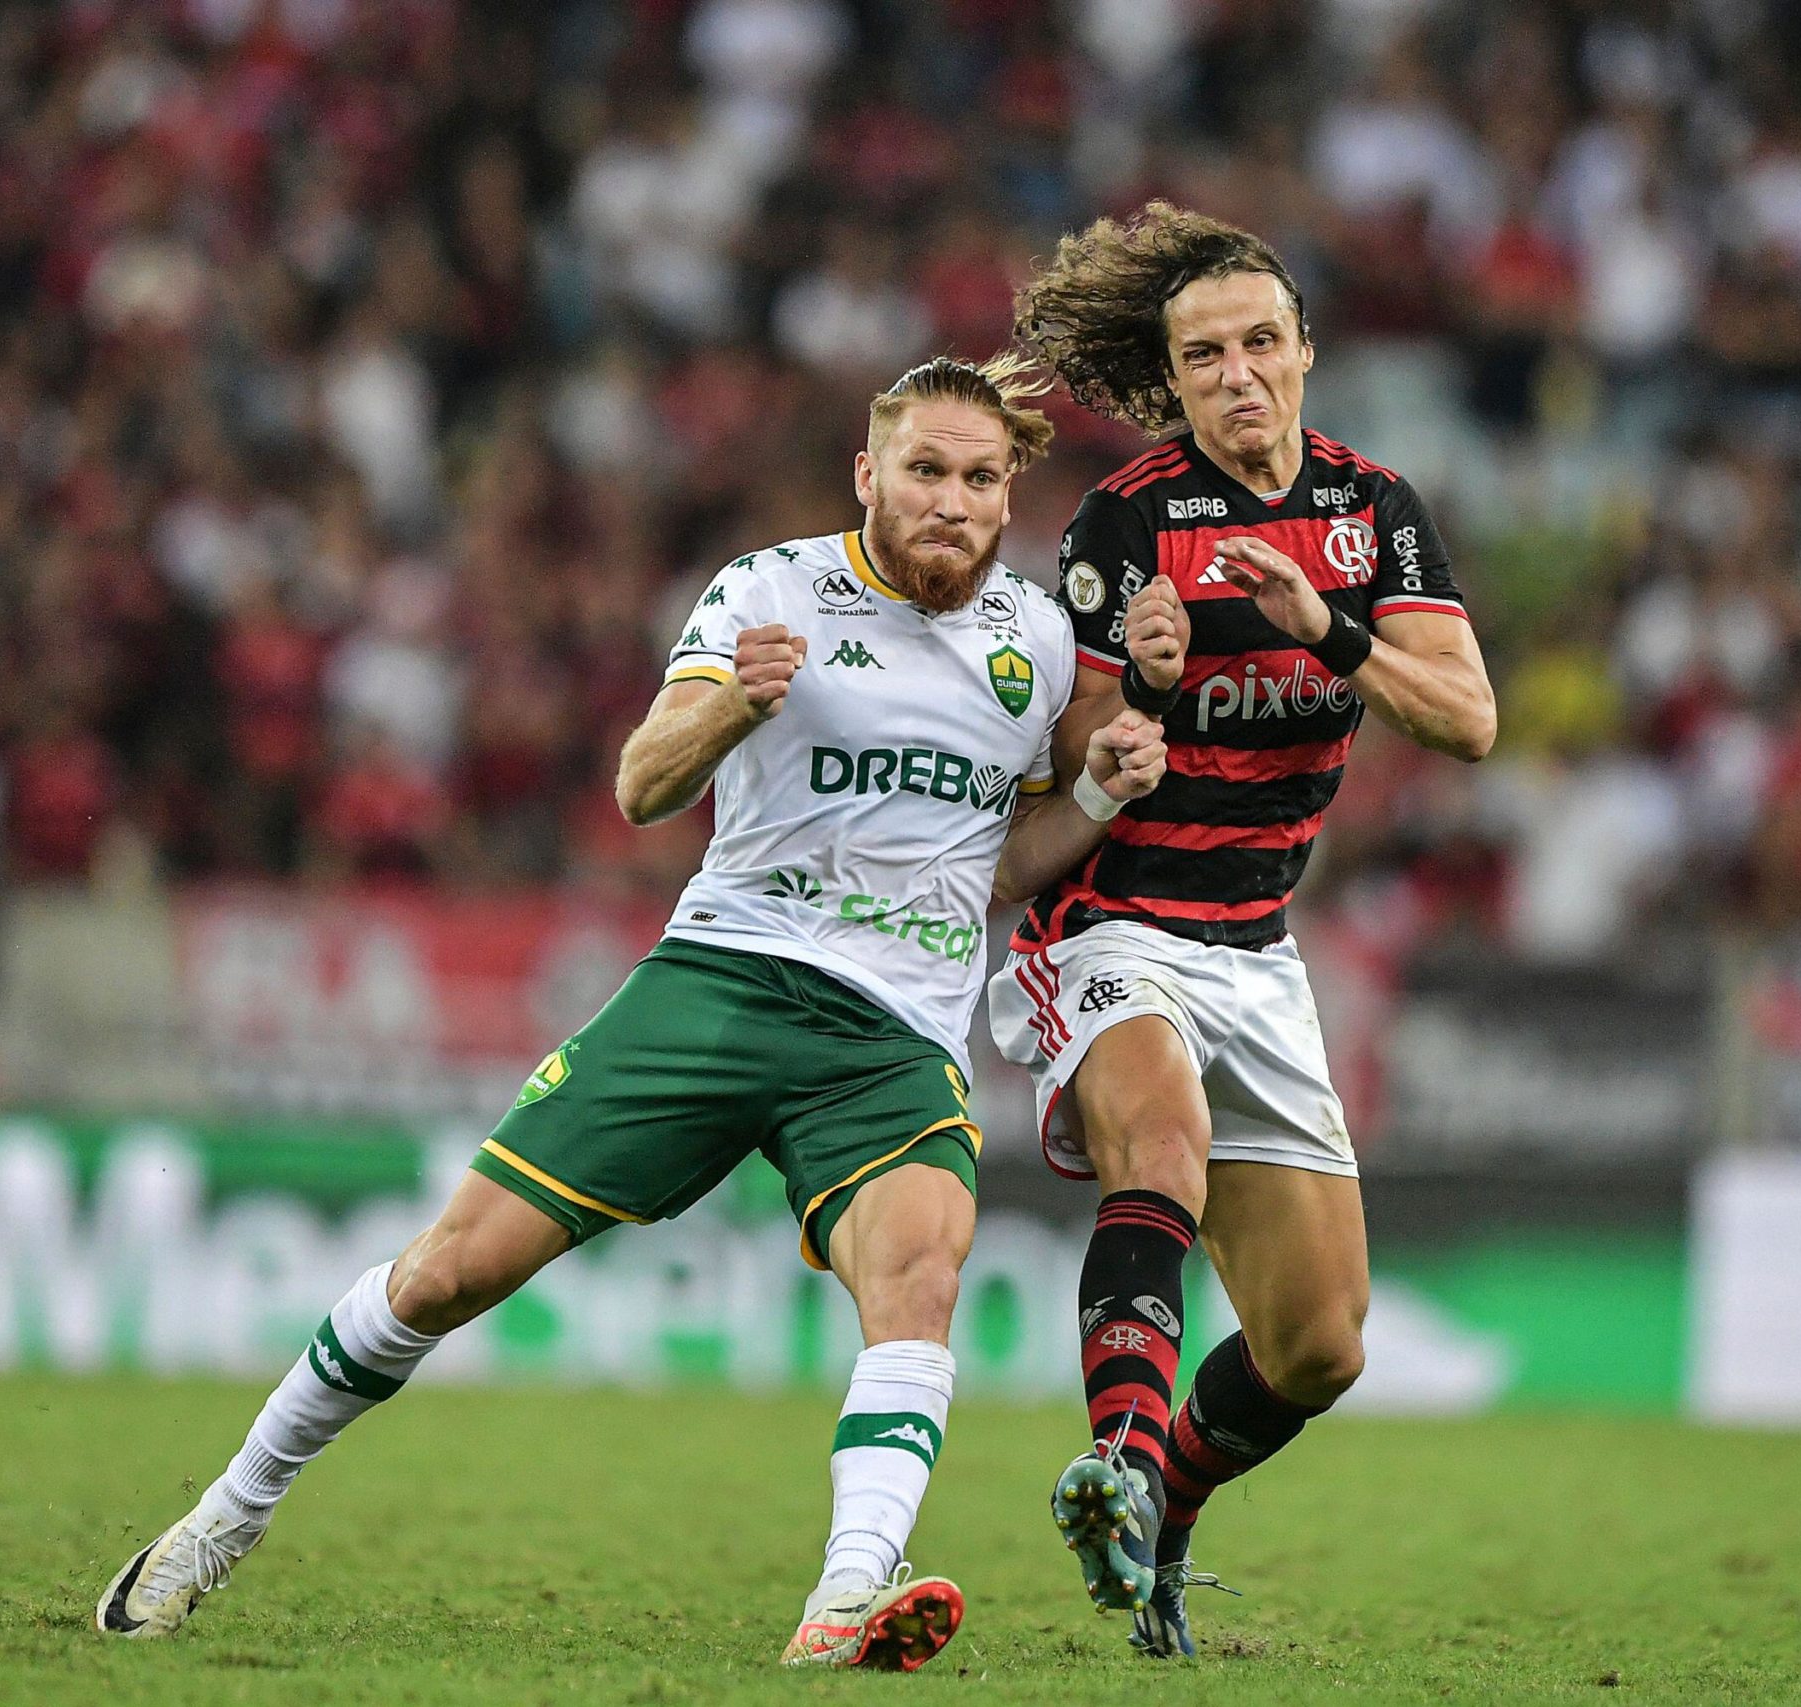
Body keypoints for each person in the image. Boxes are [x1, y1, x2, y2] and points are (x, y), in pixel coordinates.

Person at [93, 355, 1173, 1671]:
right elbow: (641, 787)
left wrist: (1105, 797)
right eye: (926, 471)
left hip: (893, 1040)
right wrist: (730, 704)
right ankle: (220, 1520)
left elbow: (991, 866)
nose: (952, 500)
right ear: (867, 476)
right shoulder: (769, 592)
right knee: (446, 1274)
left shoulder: (1036, 642)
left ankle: (844, 1601)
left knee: (920, 1278)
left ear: (1014, 493)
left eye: (981, 478)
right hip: (723, 984)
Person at [989, 203, 1498, 1657]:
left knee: (1320, 1346)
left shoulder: (1374, 511)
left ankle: (1164, 1507)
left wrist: (1328, 630)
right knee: (1161, 1148)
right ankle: (1121, 1466)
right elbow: (1080, 752)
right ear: (1175, 376)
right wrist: (1134, 697)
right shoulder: (1129, 519)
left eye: (1259, 343)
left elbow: (1466, 720)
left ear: (1306, 351)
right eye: (1203, 354)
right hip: (1115, 924)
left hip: (1258, 951)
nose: (1236, 374)